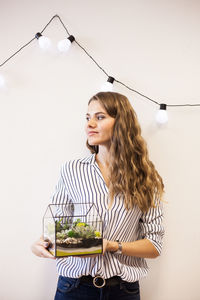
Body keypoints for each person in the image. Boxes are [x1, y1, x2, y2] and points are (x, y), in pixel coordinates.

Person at [31, 91, 165, 300]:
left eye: (99, 117)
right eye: (87, 117)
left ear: (121, 122)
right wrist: (42, 244)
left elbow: (154, 245)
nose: (89, 124)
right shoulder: (72, 170)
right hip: (74, 288)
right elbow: (58, 229)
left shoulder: (146, 177)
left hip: (123, 290)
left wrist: (113, 246)